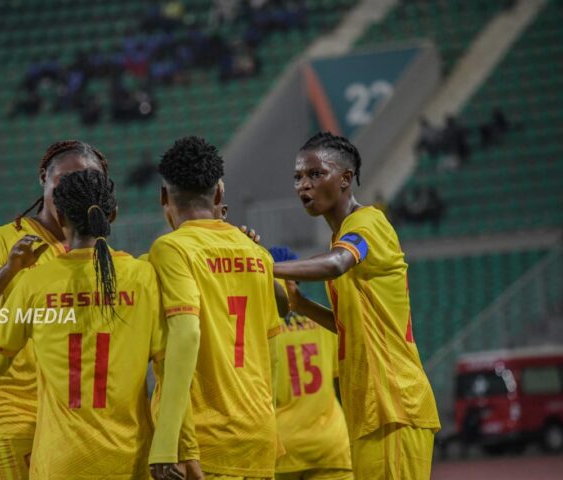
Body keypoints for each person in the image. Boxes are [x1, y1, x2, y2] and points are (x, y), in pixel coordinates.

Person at [0, 170, 196, 478]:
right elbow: (171, 372)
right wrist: (179, 450)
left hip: (60, 463)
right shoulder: (144, 277)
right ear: (112, 215)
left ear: (60, 218)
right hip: (131, 460)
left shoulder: (35, 282)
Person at [273, 132, 440, 480]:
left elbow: (335, 264)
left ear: (346, 178)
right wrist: (300, 303)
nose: (304, 185)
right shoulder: (342, 235)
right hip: (369, 409)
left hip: (393, 404)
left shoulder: (368, 224)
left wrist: (259, 264)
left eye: (316, 174)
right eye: (298, 177)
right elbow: (348, 324)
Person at [0, 140, 109, 479]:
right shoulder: (5, 241)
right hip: (15, 422)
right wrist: (9, 270)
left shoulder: (99, 253)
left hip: (74, 423)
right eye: (65, 179)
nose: (76, 187)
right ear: (43, 179)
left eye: (89, 178)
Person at [147, 136, 283, 480]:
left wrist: (165, 444)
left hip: (205, 440)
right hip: (259, 433)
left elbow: (185, 334)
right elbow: (273, 348)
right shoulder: (257, 253)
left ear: (164, 197)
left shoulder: (171, 250)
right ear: (219, 193)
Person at [269, 246, 353, 480]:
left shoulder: (260, 327)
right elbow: (341, 386)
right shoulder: (319, 319)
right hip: (331, 444)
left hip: (282, 448)